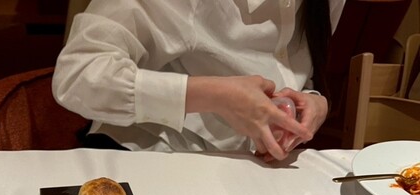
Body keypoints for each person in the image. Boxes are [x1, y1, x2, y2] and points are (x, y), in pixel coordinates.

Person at [52, 0, 346, 160]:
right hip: (154, 159)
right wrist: (216, 96)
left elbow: (294, 70)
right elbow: (77, 73)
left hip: (254, 172)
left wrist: (315, 101)